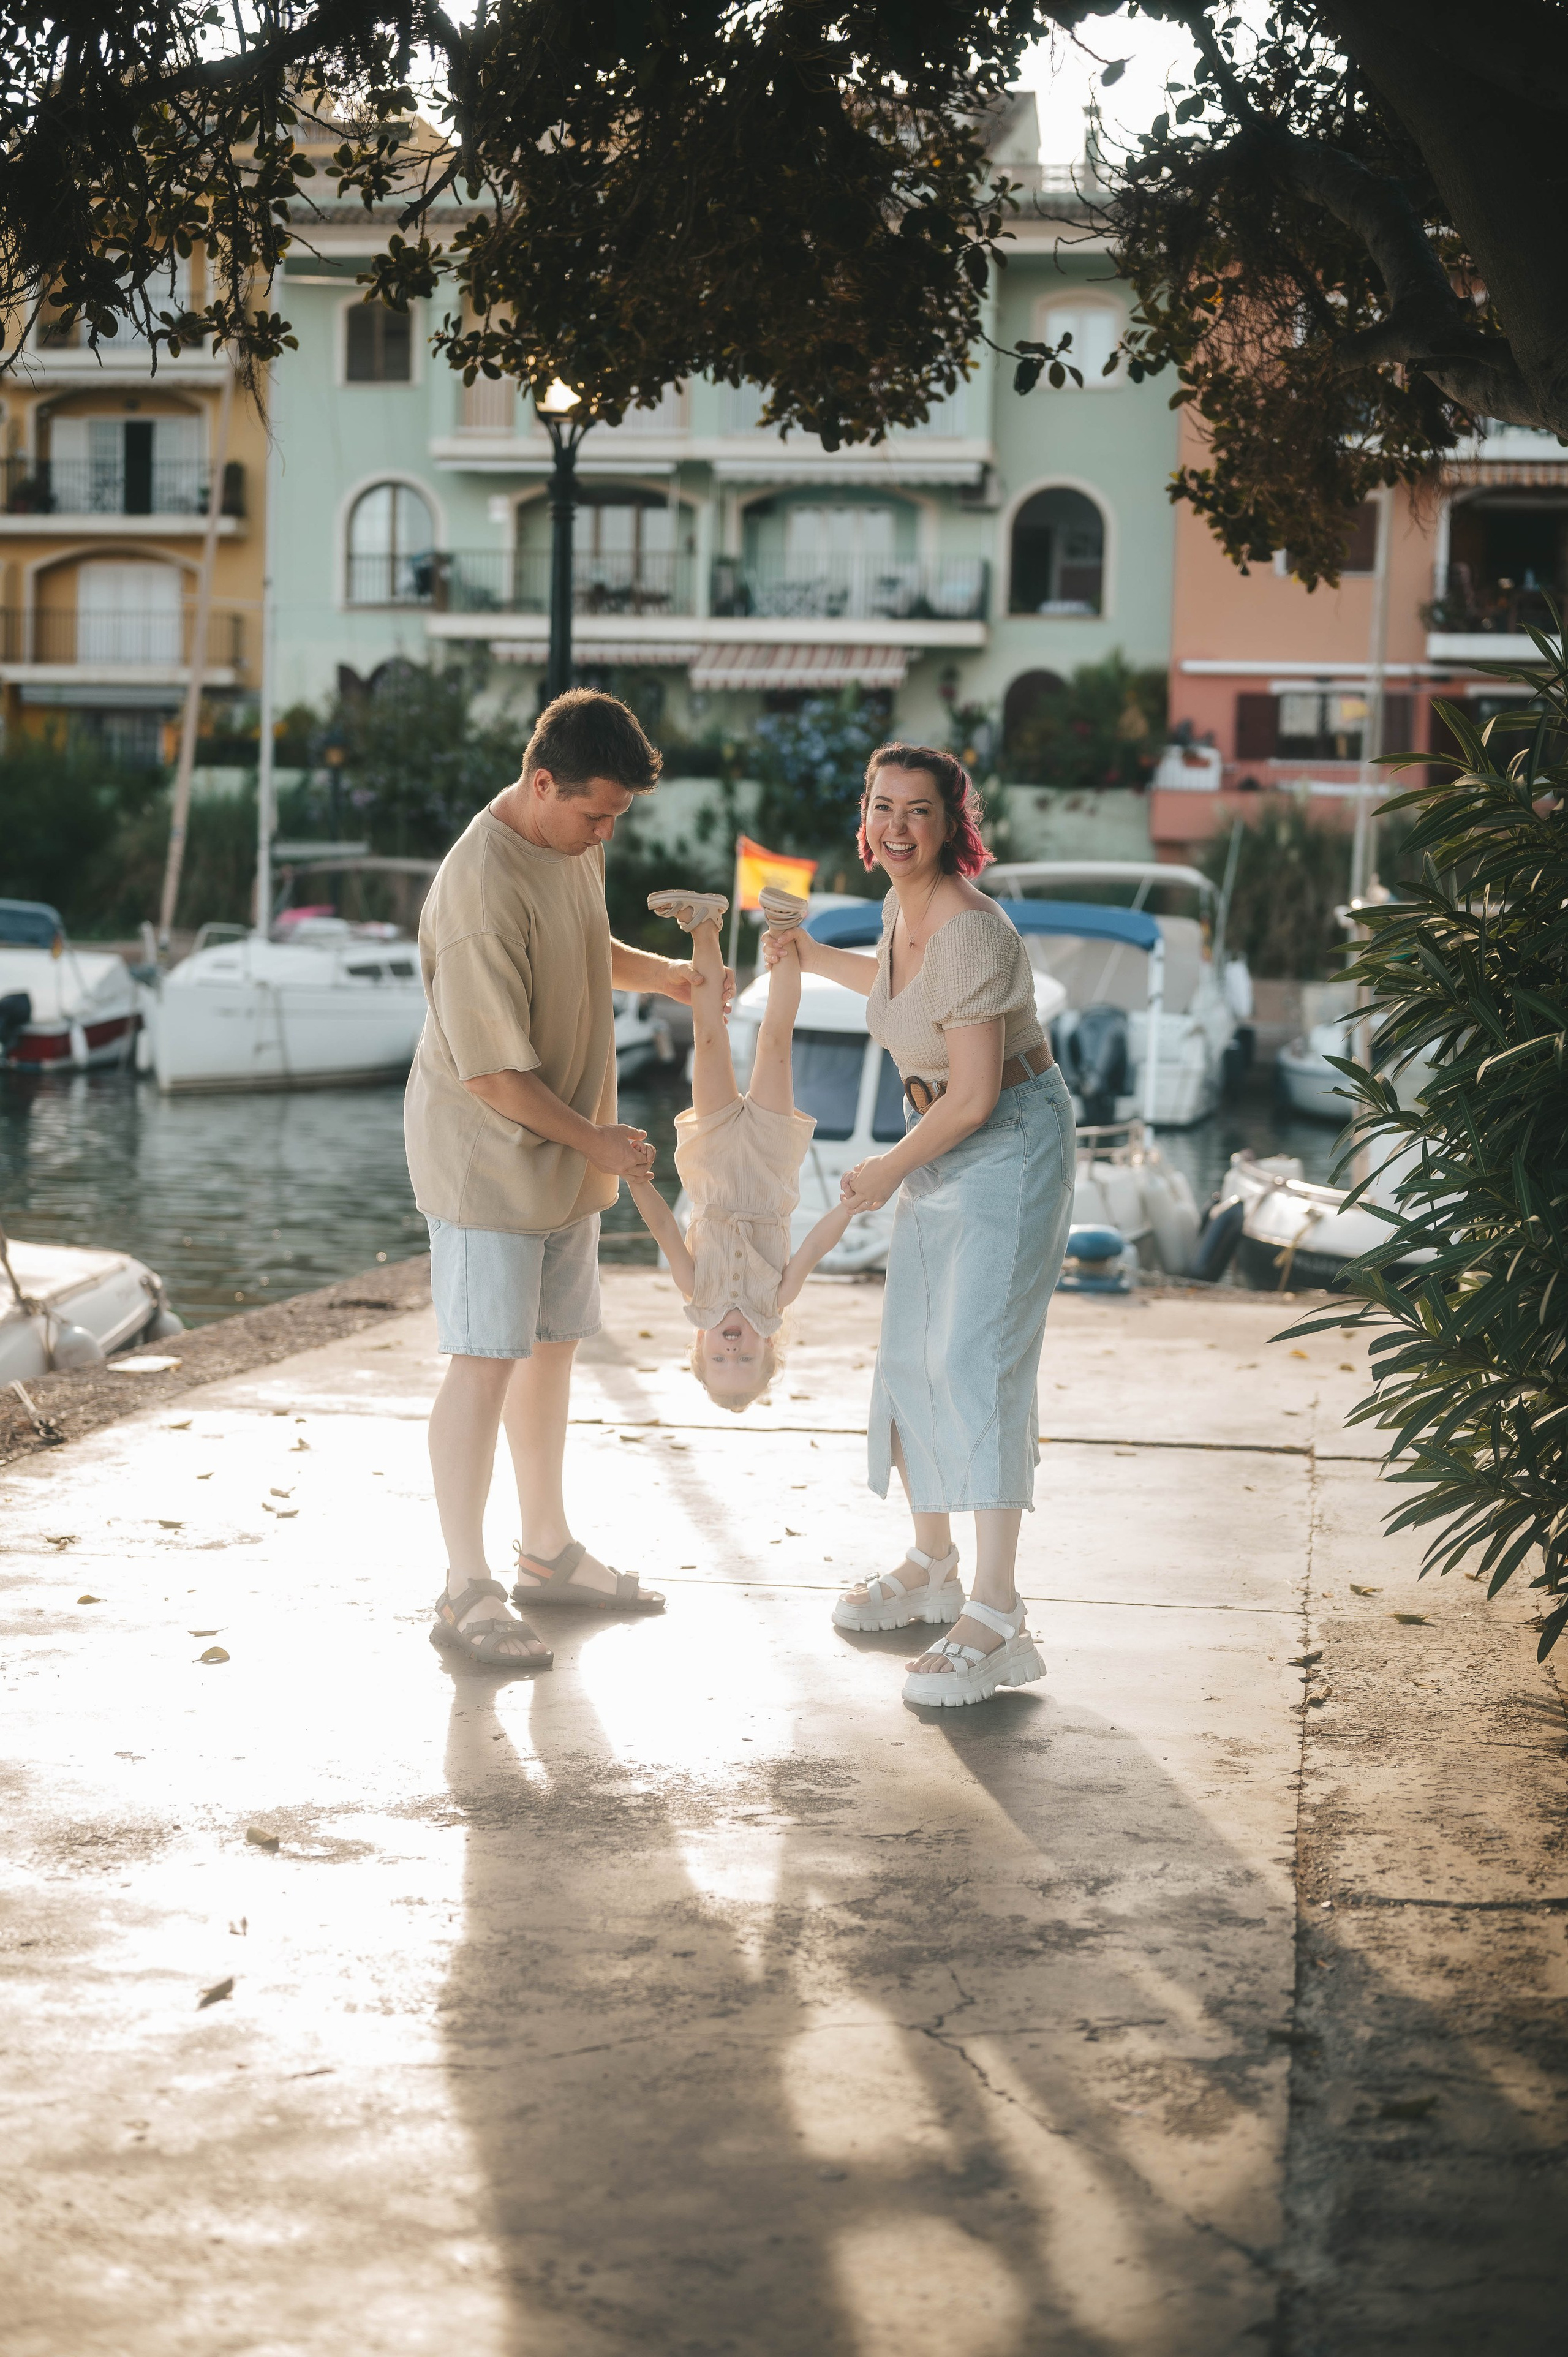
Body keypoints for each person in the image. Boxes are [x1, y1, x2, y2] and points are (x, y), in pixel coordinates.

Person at [406, 690, 731, 1671]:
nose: (606, 831)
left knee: (552, 1348)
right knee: (484, 1358)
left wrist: (668, 976)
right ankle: (466, 1586)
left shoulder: (574, 839)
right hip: (487, 1159)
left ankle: (546, 1553)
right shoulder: (477, 891)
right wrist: (595, 1141)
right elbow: (492, 1074)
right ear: (540, 782)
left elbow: (587, 947)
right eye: (596, 813)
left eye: (616, 818)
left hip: (566, 1148)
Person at [764, 745, 1076, 1708]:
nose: (898, 826)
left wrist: (884, 1169)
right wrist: (812, 957)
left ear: (953, 826)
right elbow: (907, 996)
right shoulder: (906, 912)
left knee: (973, 1361)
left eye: (920, 811)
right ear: (866, 818)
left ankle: (997, 1616)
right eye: (883, 806)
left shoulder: (973, 930)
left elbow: (976, 1094)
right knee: (911, 1355)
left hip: (1007, 1139)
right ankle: (933, 1564)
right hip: (942, 1138)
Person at [625, 884, 856, 1411]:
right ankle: (784, 933)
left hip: (712, 1151)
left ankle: (704, 926)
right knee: (775, 1038)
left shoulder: (695, 1293)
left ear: (698, 1347)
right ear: (769, 1346)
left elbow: (664, 1228)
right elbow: (816, 1247)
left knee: (709, 1035)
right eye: (746, 1361)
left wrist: (637, 1180)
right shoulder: (777, 1300)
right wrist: (849, 1206)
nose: (734, 1350)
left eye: (720, 1361)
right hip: (772, 1153)